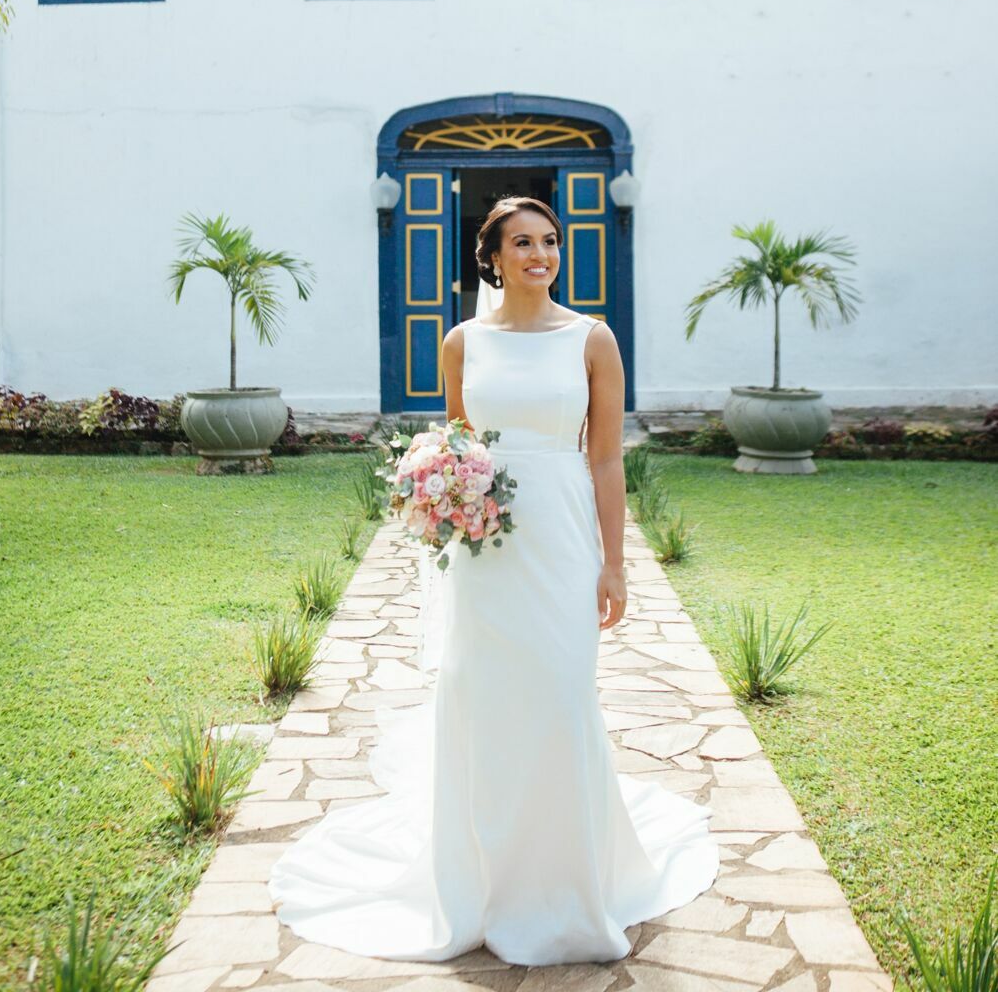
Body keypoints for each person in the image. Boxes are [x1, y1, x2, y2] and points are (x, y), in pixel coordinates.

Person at [267, 195, 719, 964]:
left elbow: (606, 457)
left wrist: (613, 562)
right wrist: (437, 488)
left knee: (561, 690)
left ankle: (566, 878)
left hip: (562, 534)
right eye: (523, 243)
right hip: (484, 544)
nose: (540, 255)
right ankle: (479, 878)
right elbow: (457, 442)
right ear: (494, 258)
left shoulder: (592, 339)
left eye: (550, 241)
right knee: (481, 693)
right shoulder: (461, 342)